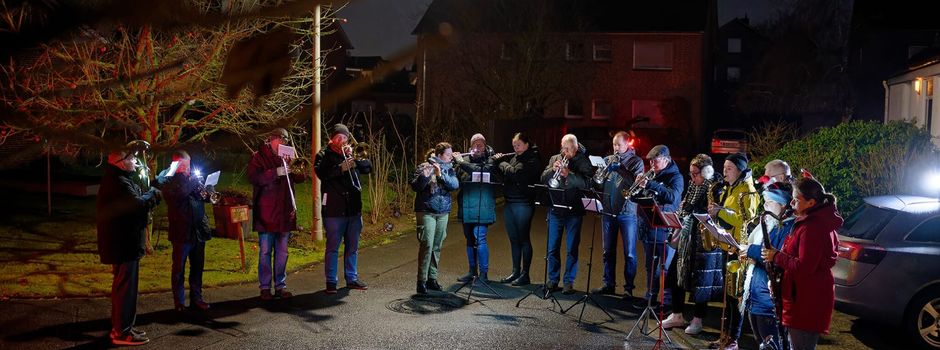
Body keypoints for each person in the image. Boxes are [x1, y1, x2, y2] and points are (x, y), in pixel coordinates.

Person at [762, 177, 842, 350]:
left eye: (796, 200)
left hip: (806, 299)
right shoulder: (811, 222)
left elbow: (805, 267)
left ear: (811, 202)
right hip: (803, 294)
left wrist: (776, 257)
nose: (791, 203)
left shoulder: (813, 227)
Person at [97, 148, 161, 346]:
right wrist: (153, 193)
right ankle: (122, 332)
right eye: (132, 158)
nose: (135, 161)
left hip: (124, 243)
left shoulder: (120, 179)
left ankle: (124, 327)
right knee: (126, 288)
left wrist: (151, 190)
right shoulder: (118, 182)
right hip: (124, 244)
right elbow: (137, 206)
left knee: (124, 287)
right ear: (120, 162)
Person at [660, 154, 723, 335]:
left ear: (706, 172)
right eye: (691, 174)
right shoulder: (693, 185)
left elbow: (709, 212)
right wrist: (682, 210)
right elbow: (686, 206)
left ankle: (698, 319)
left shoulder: (714, 187)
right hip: (687, 240)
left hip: (703, 243)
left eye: (695, 174)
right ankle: (677, 314)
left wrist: (690, 210)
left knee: (700, 282)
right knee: (674, 275)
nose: (692, 177)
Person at [707, 151, 759, 350]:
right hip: (727, 246)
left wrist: (720, 211)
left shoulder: (748, 191)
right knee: (727, 297)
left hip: (739, 249)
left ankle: (733, 339)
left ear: (740, 170)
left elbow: (745, 220)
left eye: (729, 168)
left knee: (735, 297)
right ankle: (725, 336)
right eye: (724, 168)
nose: (724, 172)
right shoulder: (731, 187)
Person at [248, 128, 306, 300]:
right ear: (270, 140)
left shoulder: (287, 156)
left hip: (284, 211)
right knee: (265, 251)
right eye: (280, 139)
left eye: (285, 140)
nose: (283, 143)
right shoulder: (258, 156)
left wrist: (294, 164)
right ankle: (265, 288)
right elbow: (254, 178)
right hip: (266, 212)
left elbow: (301, 178)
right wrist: (276, 172)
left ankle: (280, 286)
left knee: (282, 252)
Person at [315, 123, 372, 294]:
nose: (342, 140)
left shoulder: (352, 153)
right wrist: (340, 168)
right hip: (334, 209)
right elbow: (321, 173)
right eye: (338, 137)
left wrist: (354, 159)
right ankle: (331, 282)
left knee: (352, 246)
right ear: (332, 138)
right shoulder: (324, 154)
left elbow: (368, 167)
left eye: (345, 138)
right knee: (333, 247)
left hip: (353, 209)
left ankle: (351, 278)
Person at [738, 182, 796, 349]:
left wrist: (751, 250)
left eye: (769, 202)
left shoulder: (788, 227)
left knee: (772, 343)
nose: (765, 206)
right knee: (762, 342)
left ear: (783, 204)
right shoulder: (772, 223)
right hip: (756, 296)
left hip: (768, 300)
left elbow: (774, 256)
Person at [156, 150, 212, 312]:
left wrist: (208, 191)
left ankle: (197, 298)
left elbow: (202, 198)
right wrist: (192, 182)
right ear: (176, 164)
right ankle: (179, 302)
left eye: (188, 165)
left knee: (197, 267)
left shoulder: (192, 180)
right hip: (181, 231)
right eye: (184, 165)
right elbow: (177, 197)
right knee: (178, 269)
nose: (187, 168)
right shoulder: (168, 180)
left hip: (198, 230)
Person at [590, 131, 644, 298]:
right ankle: (609, 284)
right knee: (608, 251)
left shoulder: (636, 162)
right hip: (608, 211)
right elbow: (599, 184)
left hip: (627, 212)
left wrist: (620, 168)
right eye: (614, 144)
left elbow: (634, 183)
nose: (615, 148)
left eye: (619, 145)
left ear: (627, 144)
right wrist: (597, 177)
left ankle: (628, 288)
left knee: (629, 253)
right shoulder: (608, 160)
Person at [540, 134, 593, 294]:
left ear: (575, 148)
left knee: (571, 248)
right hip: (555, 208)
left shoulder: (583, 161)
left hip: (574, 210)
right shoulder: (554, 158)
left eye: (568, 149)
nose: (565, 152)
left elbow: (587, 183)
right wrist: (552, 170)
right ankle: (553, 279)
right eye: (563, 148)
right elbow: (543, 178)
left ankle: (568, 281)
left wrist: (569, 174)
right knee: (552, 247)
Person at [632, 144, 683, 306]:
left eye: (655, 161)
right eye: (651, 161)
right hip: (648, 226)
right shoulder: (652, 174)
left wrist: (649, 185)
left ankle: (667, 302)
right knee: (650, 265)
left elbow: (672, 197)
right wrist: (637, 191)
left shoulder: (676, 177)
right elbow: (644, 197)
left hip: (664, 228)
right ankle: (650, 297)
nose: (652, 164)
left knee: (665, 268)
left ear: (666, 160)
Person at [494, 133, 542, 286]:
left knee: (523, 239)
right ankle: (515, 271)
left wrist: (501, 163)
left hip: (523, 204)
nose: (516, 148)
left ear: (527, 144)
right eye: (514, 146)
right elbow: (506, 176)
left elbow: (517, 174)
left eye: (519, 145)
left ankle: (525, 274)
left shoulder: (532, 159)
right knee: (514, 240)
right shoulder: (515, 158)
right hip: (510, 203)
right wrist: (497, 164)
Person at [411, 143, 459, 294]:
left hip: (443, 211)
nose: (451, 157)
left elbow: (454, 185)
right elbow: (416, 186)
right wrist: (427, 175)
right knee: (427, 245)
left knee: (437, 246)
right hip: (426, 211)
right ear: (439, 155)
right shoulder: (424, 166)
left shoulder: (449, 168)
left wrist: (440, 175)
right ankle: (421, 281)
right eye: (448, 155)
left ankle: (432, 278)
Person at [453, 133, 497, 282]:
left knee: (480, 238)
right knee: (469, 239)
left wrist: (461, 163)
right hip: (466, 205)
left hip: (483, 204)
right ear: (470, 147)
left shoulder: (491, 159)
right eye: (475, 145)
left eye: (480, 145)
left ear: (485, 147)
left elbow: (481, 170)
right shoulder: (463, 160)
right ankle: (472, 272)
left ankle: (484, 274)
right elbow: (458, 180)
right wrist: (451, 163)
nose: (477, 148)